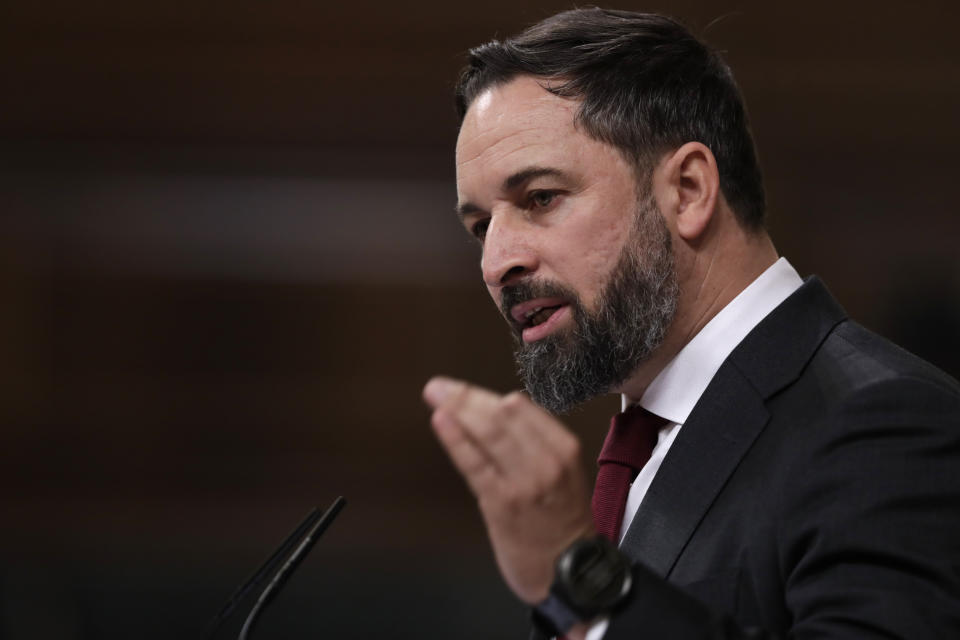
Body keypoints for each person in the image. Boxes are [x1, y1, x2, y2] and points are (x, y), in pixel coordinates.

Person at [422, 8, 960, 639]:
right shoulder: (645, 445)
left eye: (540, 198)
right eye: (481, 226)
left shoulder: (885, 425)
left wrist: (588, 586)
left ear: (688, 189)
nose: (495, 262)